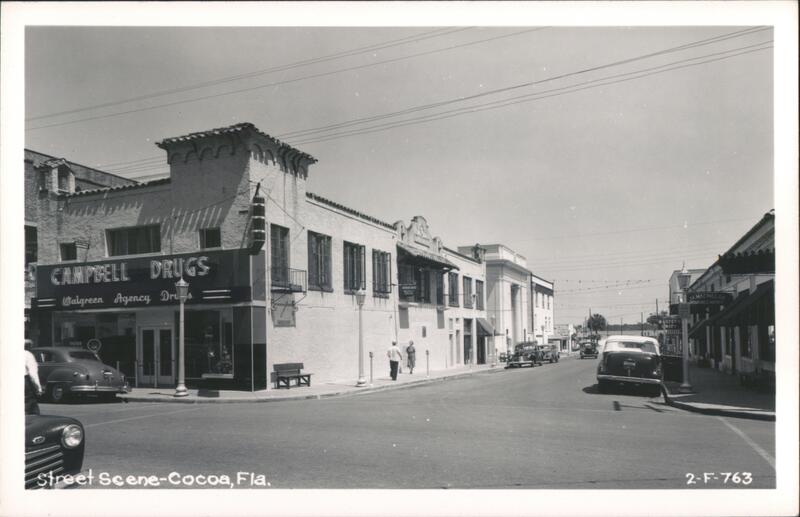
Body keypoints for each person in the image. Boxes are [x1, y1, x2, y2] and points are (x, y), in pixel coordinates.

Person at [25, 346, 43, 415]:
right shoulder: (27, 354)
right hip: (25, 383)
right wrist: (38, 387)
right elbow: (33, 374)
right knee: (30, 406)